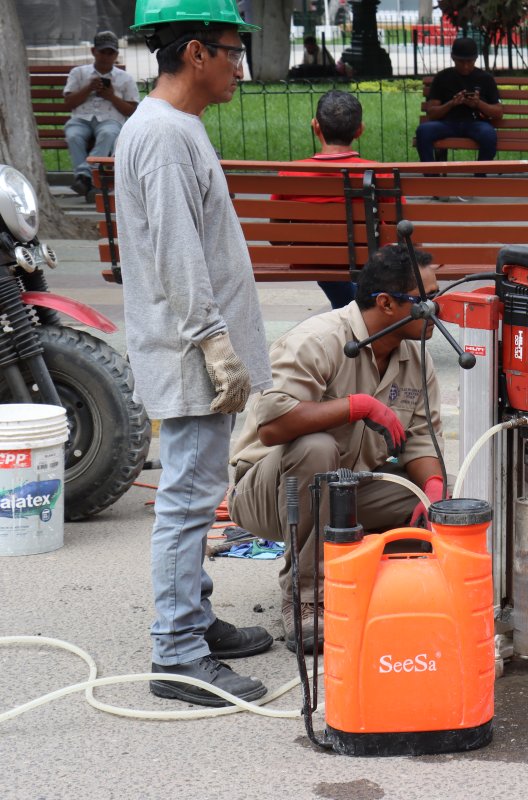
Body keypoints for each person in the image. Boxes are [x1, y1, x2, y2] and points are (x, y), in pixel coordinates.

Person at [119, 0, 272, 706]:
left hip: (195, 348)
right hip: (190, 352)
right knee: (185, 503)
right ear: (195, 53)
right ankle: (177, 651)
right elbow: (179, 255)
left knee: (195, 492)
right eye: (231, 50)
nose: (239, 64)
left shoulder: (176, 127)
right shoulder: (162, 135)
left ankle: (196, 619)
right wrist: (214, 343)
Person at [228, 244, 447, 654]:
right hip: (270, 495)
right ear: (386, 303)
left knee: (421, 494)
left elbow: (420, 438)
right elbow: (273, 426)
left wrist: (433, 490)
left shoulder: (415, 355)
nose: (436, 309)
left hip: (345, 489)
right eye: (426, 300)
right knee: (316, 447)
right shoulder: (318, 339)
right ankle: (306, 597)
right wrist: (357, 406)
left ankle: (384, 592)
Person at [274, 90, 401, 309]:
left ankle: (352, 309)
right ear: (359, 130)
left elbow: (276, 238)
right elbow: (399, 229)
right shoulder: (381, 174)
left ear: (316, 127)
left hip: (312, 259)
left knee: (326, 256)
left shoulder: (290, 174)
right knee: (367, 258)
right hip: (367, 257)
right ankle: (358, 308)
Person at [62, 31, 140, 200]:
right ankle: (90, 181)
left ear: (116, 55)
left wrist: (111, 96)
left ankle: (84, 176)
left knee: (109, 134)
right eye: (102, 52)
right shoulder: (78, 73)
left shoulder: (125, 78)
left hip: (110, 120)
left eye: (110, 52)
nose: (106, 56)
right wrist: (88, 88)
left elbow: (132, 111)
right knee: (73, 135)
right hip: (80, 119)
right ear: (93, 51)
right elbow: (68, 103)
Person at [414, 37, 502, 164]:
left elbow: (498, 112)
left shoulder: (485, 79)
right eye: (461, 62)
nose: (466, 66)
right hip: (447, 123)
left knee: (488, 135)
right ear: (453, 58)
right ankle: (431, 175)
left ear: (476, 58)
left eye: (469, 61)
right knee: (423, 131)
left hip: (476, 123)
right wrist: (451, 104)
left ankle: (480, 175)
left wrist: (478, 103)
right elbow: (432, 112)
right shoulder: (442, 77)